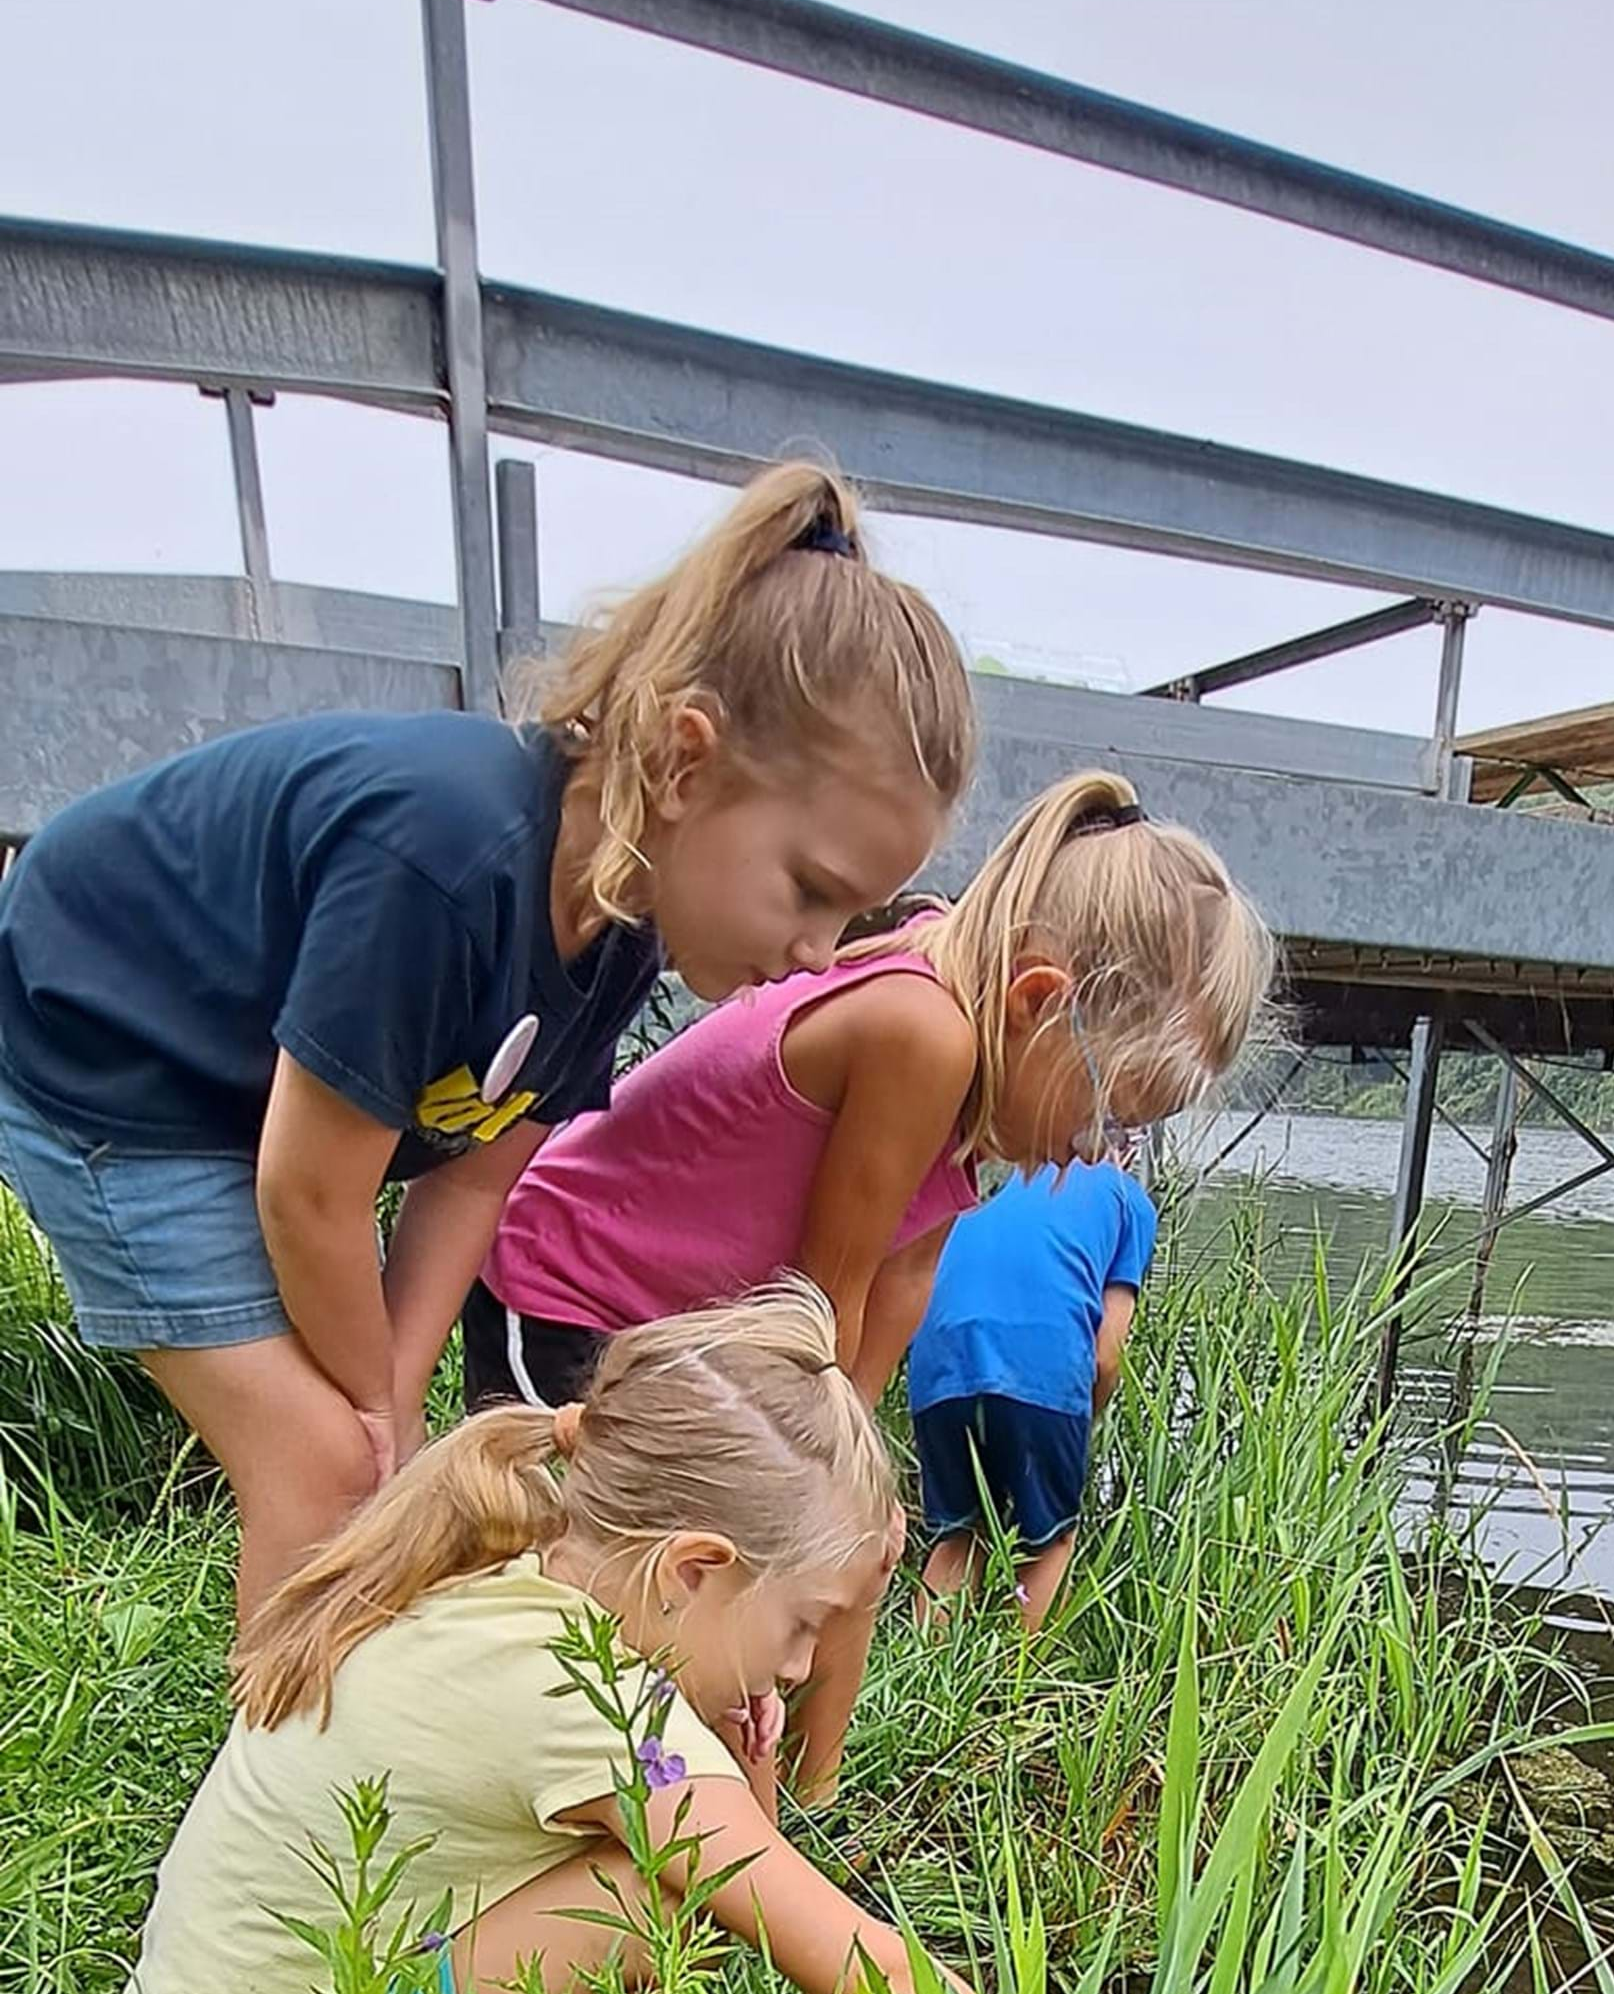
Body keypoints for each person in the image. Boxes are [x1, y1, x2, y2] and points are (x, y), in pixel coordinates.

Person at [0, 464, 973, 1621]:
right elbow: (310, 1194)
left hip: (243, 1103)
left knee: (373, 1457)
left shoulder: (616, 933)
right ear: (682, 760)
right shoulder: (447, 862)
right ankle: (291, 1791)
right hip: (97, 1049)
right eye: (811, 890)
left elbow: (470, 1178)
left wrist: (399, 1404)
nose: (820, 954)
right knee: (320, 1464)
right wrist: (376, 1422)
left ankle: (350, 1729)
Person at [96, 1289, 990, 1994]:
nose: (800, 1666)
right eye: (802, 1622)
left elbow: (748, 1860)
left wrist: (737, 1757)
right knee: (664, 1898)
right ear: (692, 1569)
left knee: (675, 1875)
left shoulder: (500, 1570)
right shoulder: (597, 1702)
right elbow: (848, 1957)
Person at [463, 771, 1268, 1786]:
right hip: (575, 1288)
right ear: (1037, 1002)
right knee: (579, 1586)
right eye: (1112, 1107)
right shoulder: (922, 1033)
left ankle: (807, 1795)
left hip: (690, 1329)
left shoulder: (974, 1117)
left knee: (856, 1524)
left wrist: (863, 1509)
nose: (1095, 1148)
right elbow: (817, 1311)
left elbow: (867, 1362)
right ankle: (524, 1790)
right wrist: (825, 1488)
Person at [909, 1150, 1158, 1630]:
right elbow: (1109, 1352)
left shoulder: (1003, 1182)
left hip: (938, 1364)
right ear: (1126, 1152)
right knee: (1052, 1539)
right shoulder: (1129, 1200)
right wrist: (1084, 1419)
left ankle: (925, 1675)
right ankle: (1017, 1685)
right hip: (1039, 1366)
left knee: (960, 1533)